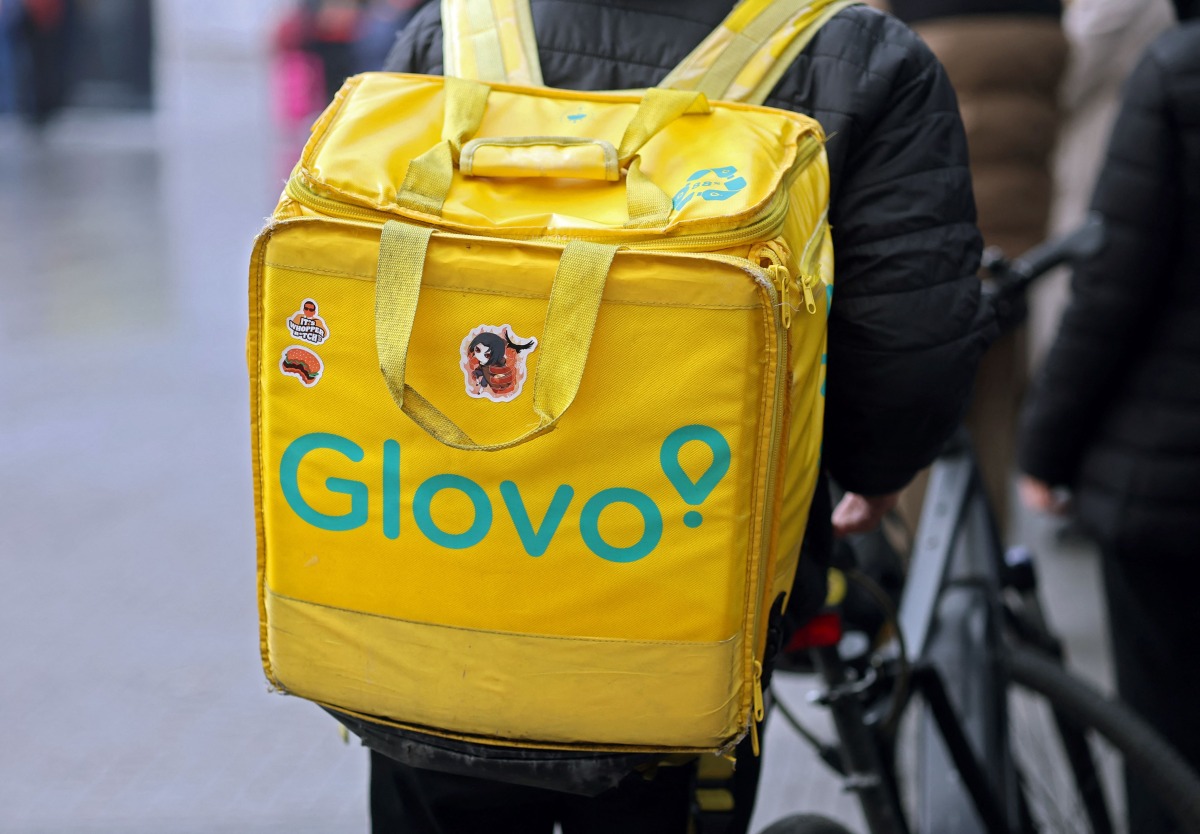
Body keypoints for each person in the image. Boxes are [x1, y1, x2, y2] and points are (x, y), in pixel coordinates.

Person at [373, 1, 995, 831]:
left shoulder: (453, 30)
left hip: (436, 604)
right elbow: (908, 342)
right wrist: (874, 475)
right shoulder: (852, 54)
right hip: (682, 616)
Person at [1017, 7, 1200, 833]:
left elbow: (1110, 294)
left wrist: (1047, 450)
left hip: (1169, 480)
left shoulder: (1178, 68)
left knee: (1163, 740)